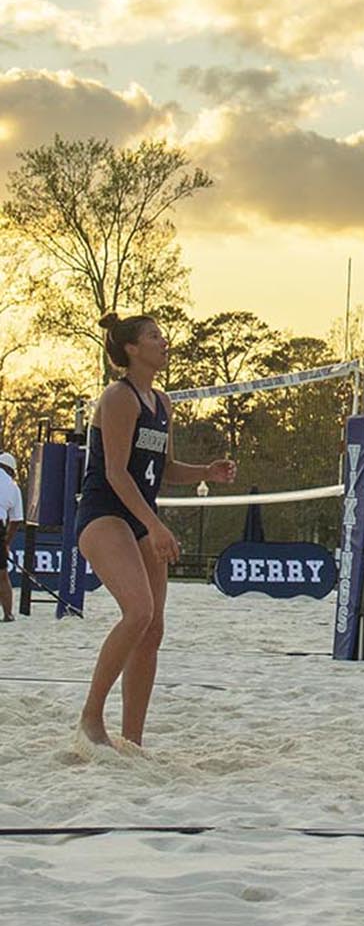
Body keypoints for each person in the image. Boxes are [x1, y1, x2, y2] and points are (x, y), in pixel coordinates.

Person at [74, 313, 237, 750]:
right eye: (154, 336)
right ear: (131, 349)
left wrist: (206, 471)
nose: (164, 342)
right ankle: (91, 717)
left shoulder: (162, 402)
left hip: (140, 514)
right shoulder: (118, 397)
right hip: (103, 513)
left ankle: (133, 740)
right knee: (139, 611)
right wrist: (155, 524)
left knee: (153, 628)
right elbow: (114, 473)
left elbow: (161, 469)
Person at [0, 451, 21, 622]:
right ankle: (8, 614)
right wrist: (6, 543)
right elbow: (16, 521)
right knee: (2, 575)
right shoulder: (13, 487)